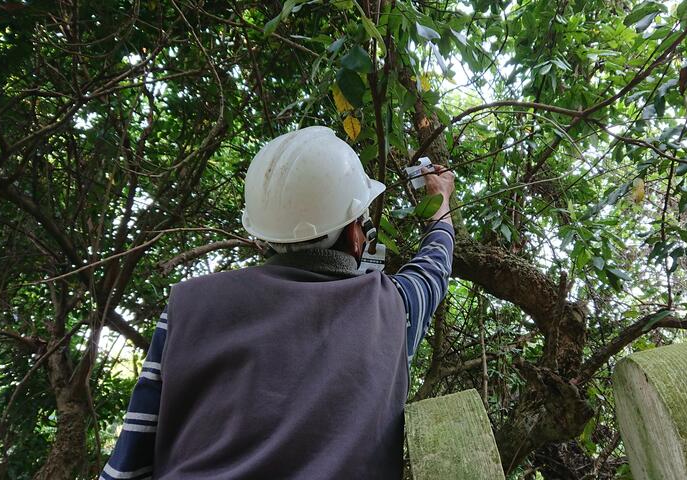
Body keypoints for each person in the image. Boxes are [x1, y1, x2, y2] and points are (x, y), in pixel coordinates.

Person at [102, 126, 456, 479]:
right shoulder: (394, 309)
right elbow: (434, 267)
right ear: (354, 234)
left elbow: (126, 468)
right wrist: (440, 203)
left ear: (262, 237)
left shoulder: (186, 306)